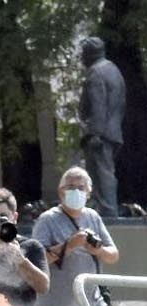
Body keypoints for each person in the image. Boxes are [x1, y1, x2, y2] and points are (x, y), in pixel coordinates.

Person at [30, 166, 120, 306]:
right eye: (70, 187)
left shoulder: (93, 217)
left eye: (81, 187)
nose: (76, 191)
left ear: (88, 193)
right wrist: (70, 245)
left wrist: (98, 250)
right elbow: (36, 261)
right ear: (61, 192)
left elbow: (113, 255)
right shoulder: (47, 220)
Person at [79, 37, 125, 216]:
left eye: (83, 54)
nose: (81, 58)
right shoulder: (114, 70)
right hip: (113, 132)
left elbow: (98, 105)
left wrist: (94, 133)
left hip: (99, 134)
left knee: (100, 174)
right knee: (106, 172)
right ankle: (108, 209)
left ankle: (107, 212)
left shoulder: (96, 72)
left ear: (90, 53)